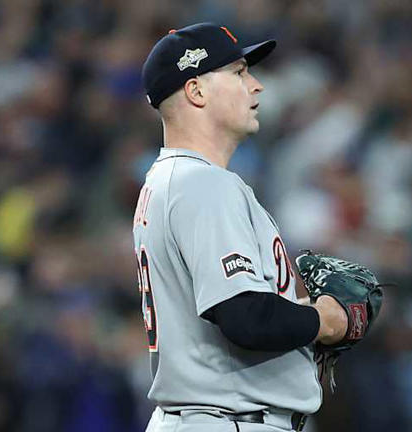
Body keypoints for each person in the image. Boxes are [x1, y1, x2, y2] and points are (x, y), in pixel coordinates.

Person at [133, 23, 348, 432]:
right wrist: (325, 320)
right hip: (229, 420)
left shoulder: (169, 181)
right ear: (196, 91)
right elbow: (245, 317)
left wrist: (299, 312)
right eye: (238, 73)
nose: (257, 86)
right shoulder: (202, 183)